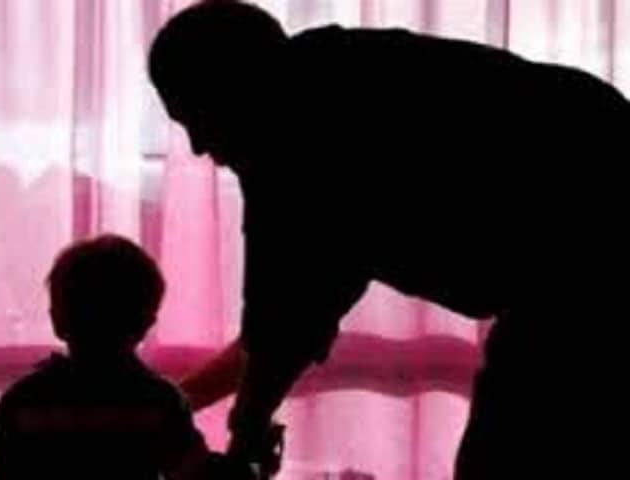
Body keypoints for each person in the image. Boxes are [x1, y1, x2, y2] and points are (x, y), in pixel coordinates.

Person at [148, 1, 629, 478]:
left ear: (233, 89)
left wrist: (241, 427)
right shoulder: (331, 78)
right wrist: (172, 406)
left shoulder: (294, 147)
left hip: (582, 260)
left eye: (196, 117)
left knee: (506, 455)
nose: (198, 145)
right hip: (585, 219)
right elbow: (281, 323)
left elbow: (281, 330)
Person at [0, 235, 221, 479]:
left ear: (57, 319)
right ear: (146, 323)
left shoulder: (24, 401)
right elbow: (194, 472)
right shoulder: (160, 402)